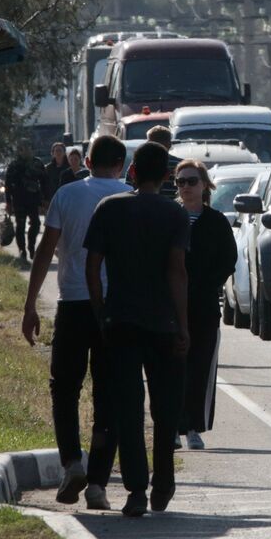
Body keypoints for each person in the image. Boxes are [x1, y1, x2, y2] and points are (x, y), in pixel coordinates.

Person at [21, 136, 132, 511]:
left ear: (86, 160)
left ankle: (72, 461)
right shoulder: (129, 197)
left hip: (72, 304)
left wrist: (30, 304)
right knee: (108, 395)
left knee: (64, 388)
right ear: (122, 164)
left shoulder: (67, 195)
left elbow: (45, 249)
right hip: (113, 310)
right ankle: (98, 483)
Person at [85, 141, 190, 517]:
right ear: (166, 176)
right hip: (163, 324)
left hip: (121, 323)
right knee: (165, 409)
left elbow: (92, 268)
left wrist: (101, 312)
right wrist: (183, 325)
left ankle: (136, 491)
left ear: (131, 172)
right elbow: (177, 272)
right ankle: (164, 482)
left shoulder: (109, 209)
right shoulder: (175, 215)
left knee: (128, 410)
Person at [174, 159, 237, 451]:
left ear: (204, 185)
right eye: (180, 181)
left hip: (204, 306)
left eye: (191, 181)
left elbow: (228, 259)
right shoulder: (170, 217)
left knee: (200, 366)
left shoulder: (216, 221)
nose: (186, 187)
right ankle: (172, 426)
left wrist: (208, 284)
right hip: (171, 306)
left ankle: (193, 427)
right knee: (172, 367)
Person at [4, 141, 49, 263]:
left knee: (35, 224)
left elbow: (44, 181)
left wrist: (45, 199)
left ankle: (31, 245)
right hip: (18, 200)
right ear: (19, 151)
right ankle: (22, 250)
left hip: (33, 200)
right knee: (20, 225)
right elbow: (8, 185)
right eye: (22, 149)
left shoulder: (37, 163)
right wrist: (8, 202)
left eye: (27, 148)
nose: (25, 151)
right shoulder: (14, 165)